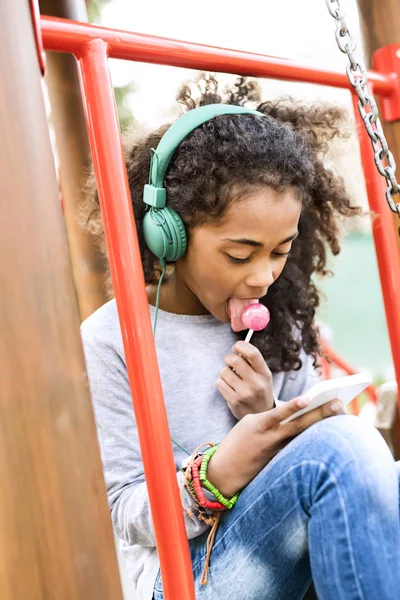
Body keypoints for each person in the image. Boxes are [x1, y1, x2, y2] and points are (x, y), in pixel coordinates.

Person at [81, 76, 400, 600]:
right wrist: (222, 470)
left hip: (289, 557)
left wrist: (268, 410)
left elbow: (324, 467)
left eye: (279, 251)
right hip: (184, 577)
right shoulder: (110, 339)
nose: (262, 277)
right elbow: (125, 512)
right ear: (170, 235)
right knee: (336, 451)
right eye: (239, 254)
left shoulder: (284, 321)